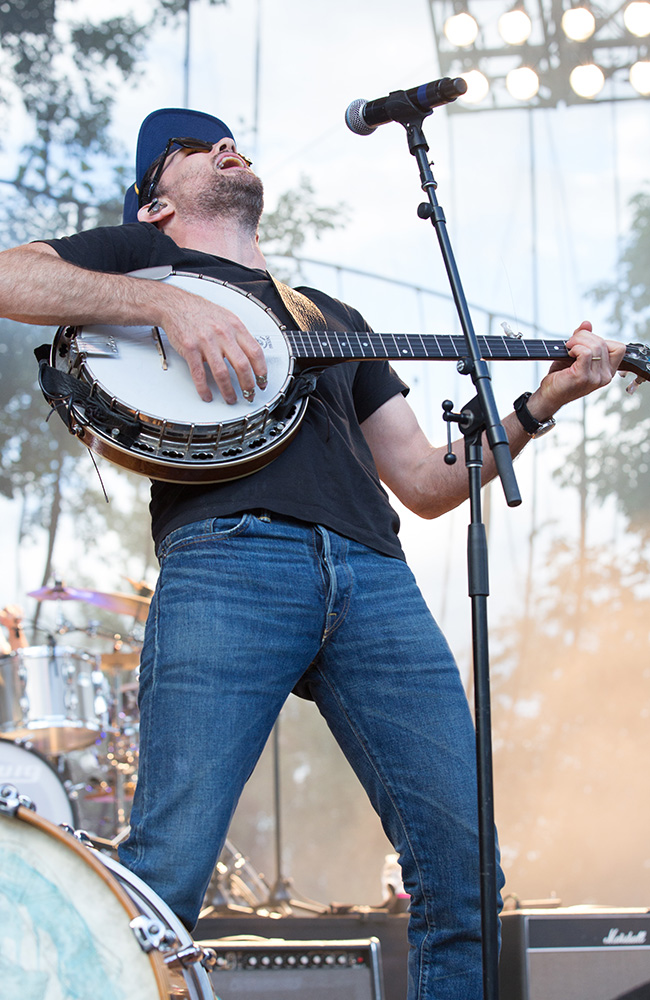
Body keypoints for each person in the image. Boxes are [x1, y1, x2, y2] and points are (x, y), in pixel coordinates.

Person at [0, 107, 626, 1000]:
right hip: (229, 558)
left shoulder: (332, 318)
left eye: (231, 138)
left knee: (463, 876)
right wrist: (168, 303)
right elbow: (9, 276)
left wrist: (541, 404)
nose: (227, 145)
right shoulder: (137, 259)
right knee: (163, 875)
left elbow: (422, 477)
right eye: (193, 146)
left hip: (375, 575)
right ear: (156, 205)